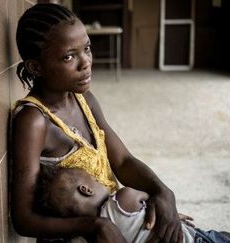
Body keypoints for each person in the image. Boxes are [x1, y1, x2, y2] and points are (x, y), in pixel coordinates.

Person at [11, 3, 184, 242]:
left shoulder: (83, 99)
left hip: (118, 221)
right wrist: (93, 225)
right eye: (69, 56)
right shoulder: (34, 121)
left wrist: (163, 192)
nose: (86, 63)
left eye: (87, 49)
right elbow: (23, 218)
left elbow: (122, 161)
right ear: (35, 67)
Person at [36, 166, 230, 243]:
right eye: (94, 178)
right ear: (86, 190)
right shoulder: (123, 198)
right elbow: (155, 202)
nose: (100, 180)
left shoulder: (97, 237)